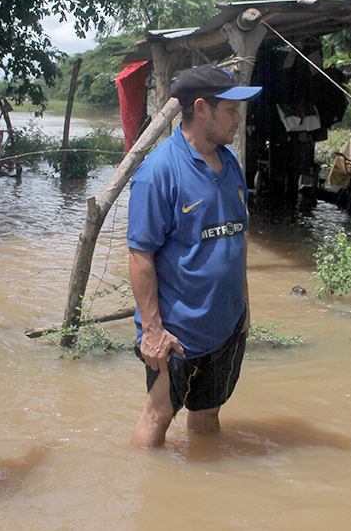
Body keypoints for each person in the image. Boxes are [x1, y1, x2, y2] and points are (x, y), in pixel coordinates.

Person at [127, 64, 261, 448]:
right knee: (159, 414)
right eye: (230, 110)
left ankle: (204, 480)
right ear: (201, 109)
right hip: (177, 334)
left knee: (208, 412)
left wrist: (244, 304)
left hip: (226, 326)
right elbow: (140, 255)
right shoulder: (159, 172)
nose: (238, 120)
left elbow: (237, 236)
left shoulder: (230, 164)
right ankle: (146, 486)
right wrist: (153, 331)